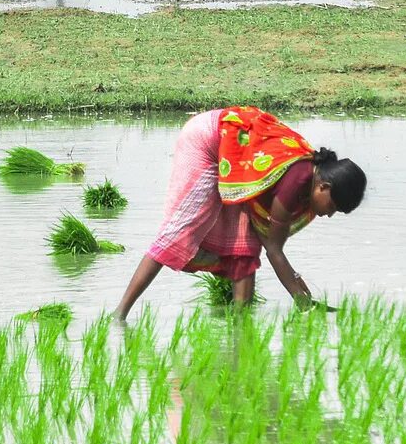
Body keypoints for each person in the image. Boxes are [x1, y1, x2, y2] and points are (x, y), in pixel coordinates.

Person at [114, 106, 365, 321]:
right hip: (208, 142)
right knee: (179, 232)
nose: (329, 214)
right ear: (324, 187)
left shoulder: (307, 177)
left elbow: (264, 236)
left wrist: (304, 296)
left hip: (235, 156)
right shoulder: (295, 183)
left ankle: (240, 332)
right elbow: (274, 249)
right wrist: (303, 302)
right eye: (333, 207)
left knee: (244, 246)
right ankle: (119, 315)